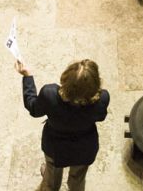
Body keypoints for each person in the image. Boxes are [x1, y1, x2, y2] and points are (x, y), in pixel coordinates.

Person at [15, 59, 109, 191]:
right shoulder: (102, 99)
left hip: (55, 148)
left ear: (66, 79)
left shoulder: (49, 94)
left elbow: (33, 108)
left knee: (52, 176)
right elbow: (101, 117)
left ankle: (51, 183)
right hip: (85, 149)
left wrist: (27, 77)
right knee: (78, 178)